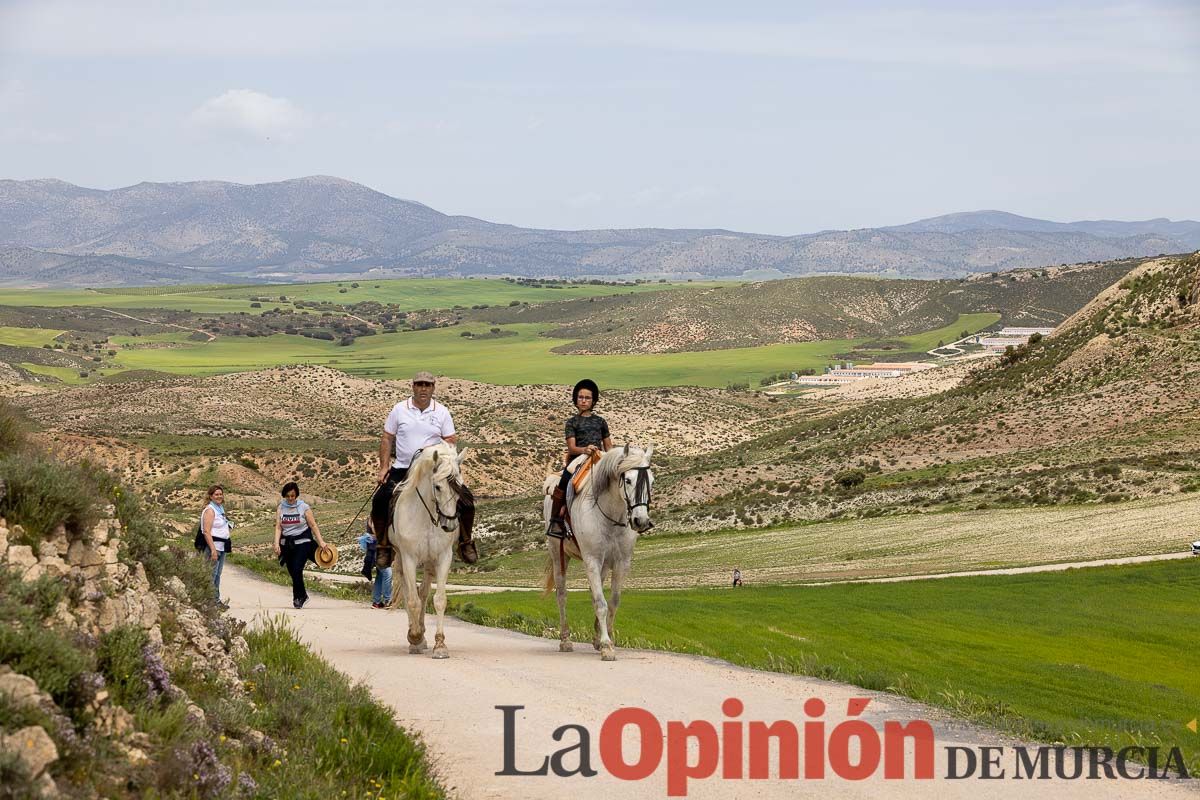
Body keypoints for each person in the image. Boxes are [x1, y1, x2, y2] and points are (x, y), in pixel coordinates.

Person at [371, 370, 477, 568]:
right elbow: (387, 437)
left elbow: (450, 441)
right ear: (413, 387)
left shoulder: (442, 412)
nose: (423, 388)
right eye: (419, 384)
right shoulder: (399, 410)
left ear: (433, 388)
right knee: (380, 500)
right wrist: (384, 466)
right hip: (404, 467)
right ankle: (383, 545)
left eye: (427, 385)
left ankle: (465, 542)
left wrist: (449, 466)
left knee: (467, 501)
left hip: (433, 469)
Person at [547, 378, 614, 538]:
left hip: (598, 457)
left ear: (593, 401)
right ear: (576, 400)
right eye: (581, 397)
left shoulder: (601, 421)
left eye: (587, 398)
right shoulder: (572, 422)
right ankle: (556, 520)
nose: (584, 401)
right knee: (564, 480)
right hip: (579, 458)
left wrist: (612, 460)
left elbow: (608, 446)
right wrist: (585, 449)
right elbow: (571, 447)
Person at [273, 481, 328, 609]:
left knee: (297, 569)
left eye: (292, 496)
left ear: (296, 495)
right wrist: (276, 543)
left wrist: (321, 542)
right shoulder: (281, 507)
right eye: (288, 496)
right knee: (293, 571)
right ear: (284, 496)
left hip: (303, 542)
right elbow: (278, 527)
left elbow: (313, 525)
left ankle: (297, 598)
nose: (290, 498)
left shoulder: (304, 507)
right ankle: (302, 595)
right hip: (287, 544)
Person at [199, 485, 232, 606]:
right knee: (211, 574)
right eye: (216, 494)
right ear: (211, 496)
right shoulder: (210, 510)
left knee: (217, 574)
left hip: (222, 546)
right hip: (214, 546)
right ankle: (207, 600)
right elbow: (206, 531)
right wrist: (213, 549)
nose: (219, 496)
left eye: (220, 494)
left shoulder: (219, 508)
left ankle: (215, 599)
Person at [358, 518, 393, 609]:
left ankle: (376, 602)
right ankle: (387, 601)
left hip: (379, 547)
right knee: (387, 573)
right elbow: (376, 530)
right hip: (378, 547)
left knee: (380, 576)